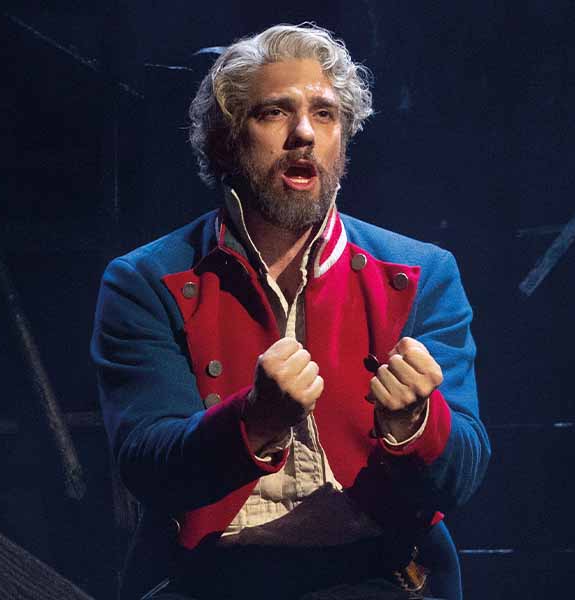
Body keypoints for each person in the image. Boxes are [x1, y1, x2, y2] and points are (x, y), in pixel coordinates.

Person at [91, 23, 490, 600]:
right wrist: (254, 422)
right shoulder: (146, 281)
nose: (303, 133)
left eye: (325, 115)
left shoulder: (420, 273)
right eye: (274, 112)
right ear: (225, 142)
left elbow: (463, 476)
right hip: (211, 576)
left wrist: (417, 424)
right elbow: (148, 466)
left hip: (382, 572)